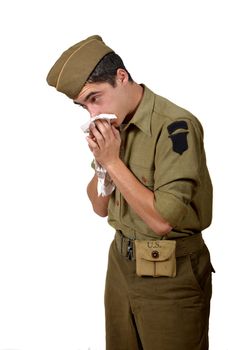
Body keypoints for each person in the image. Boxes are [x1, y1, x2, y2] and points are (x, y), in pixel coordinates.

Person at [46, 35, 214, 350]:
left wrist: (112, 160)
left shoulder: (175, 127)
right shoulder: (115, 125)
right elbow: (99, 207)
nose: (93, 115)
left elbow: (163, 221)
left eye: (95, 98)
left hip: (170, 271)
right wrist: (102, 166)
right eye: (84, 106)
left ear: (121, 77)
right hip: (121, 266)